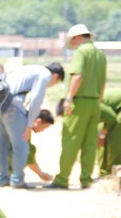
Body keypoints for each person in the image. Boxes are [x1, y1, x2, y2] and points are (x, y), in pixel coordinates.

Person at [46, 24, 107, 189]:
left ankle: (62, 178)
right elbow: (102, 82)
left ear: (77, 37)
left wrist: (69, 98)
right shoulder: (100, 55)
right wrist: (98, 101)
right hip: (95, 102)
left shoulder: (81, 52)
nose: (73, 46)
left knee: (71, 139)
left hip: (80, 102)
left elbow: (78, 76)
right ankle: (86, 179)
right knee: (90, 142)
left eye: (72, 42)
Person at [0, 63, 64, 188]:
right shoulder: (45, 74)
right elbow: (36, 100)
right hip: (12, 105)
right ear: (55, 76)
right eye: (56, 82)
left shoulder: (29, 69)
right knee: (21, 145)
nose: (52, 85)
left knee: (0, 142)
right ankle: (17, 180)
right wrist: (29, 125)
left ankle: (1, 179)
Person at [56, 89, 121, 176]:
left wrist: (103, 133)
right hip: (114, 110)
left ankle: (114, 171)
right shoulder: (81, 111)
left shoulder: (87, 104)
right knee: (99, 139)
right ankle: (103, 172)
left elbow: (111, 118)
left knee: (116, 135)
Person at [0, 109, 55, 182]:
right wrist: (41, 174)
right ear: (38, 121)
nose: (43, 130)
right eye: (45, 127)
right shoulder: (23, 127)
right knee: (29, 150)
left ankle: (8, 175)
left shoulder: (21, 121)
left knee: (26, 150)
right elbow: (28, 154)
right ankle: (14, 177)